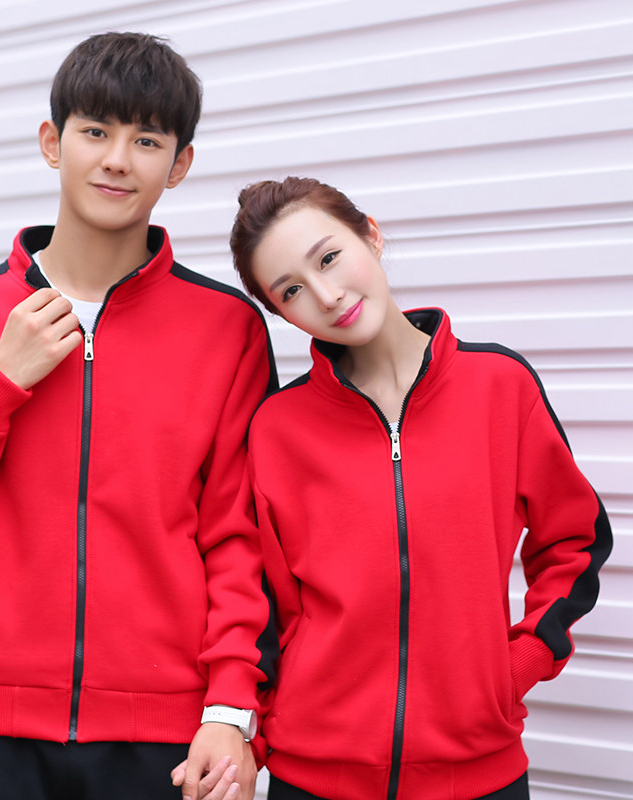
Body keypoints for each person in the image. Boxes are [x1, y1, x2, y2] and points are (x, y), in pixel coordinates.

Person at [0, 32, 277, 800]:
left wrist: (230, 709)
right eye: (95, 131)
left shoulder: (227, 329)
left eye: (146, 140)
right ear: (53, 143)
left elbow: (241, 535)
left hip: (164, 735)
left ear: (179, 164)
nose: (117, 159)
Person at [229, 176, 613, 800]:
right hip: (314, 776)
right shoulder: (277, 428)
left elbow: (575, 540)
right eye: (291, 290)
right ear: (281, 313)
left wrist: (520, 663)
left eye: (329, 258)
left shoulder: (500, 386)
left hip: (478, 773)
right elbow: (262, 601)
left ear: (371, 235)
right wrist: (257, 732)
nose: (326, 295)